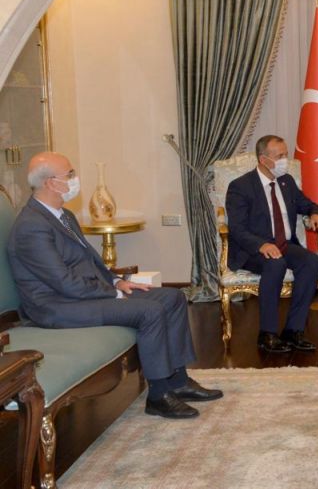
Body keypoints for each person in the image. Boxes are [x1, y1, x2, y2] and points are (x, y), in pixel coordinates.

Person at [8, 152, 222, 419]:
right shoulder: (31, 226)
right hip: (56, 307)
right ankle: (158, 396)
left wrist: (117, 280)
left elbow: (90, 260)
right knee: (149, 311)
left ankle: (178, 382)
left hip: (80, 295)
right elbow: (64, 283)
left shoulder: (63, 215)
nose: (75, 179)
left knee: (173, 298)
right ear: (51, 183)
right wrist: (114, 293)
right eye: (69, 174)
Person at [225, 135, 318, 354]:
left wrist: (315, 213)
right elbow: (237, 229)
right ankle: (267, 334)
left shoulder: (286, 181)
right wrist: (261, 245)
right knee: (275, 264)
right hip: (252, 250)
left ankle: (293, 330)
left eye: (285, 155)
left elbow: (308, 204)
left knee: (311, 261)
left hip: (284, 245)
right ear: (263, 160)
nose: (285, 161)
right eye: (280, 156)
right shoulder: (240, 187)